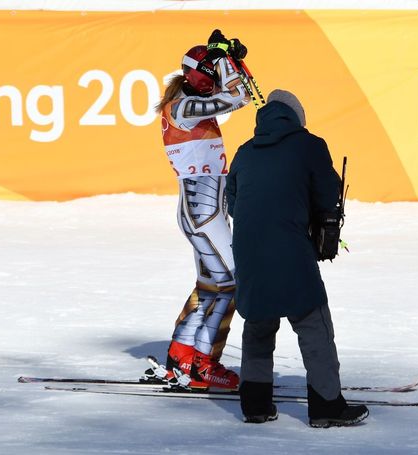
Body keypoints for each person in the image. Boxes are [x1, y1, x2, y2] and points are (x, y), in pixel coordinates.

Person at [225, 89, 369, 427]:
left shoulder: (245, 153)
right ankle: (326, 406)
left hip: (248, 250)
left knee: (259, 324)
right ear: (297, 119)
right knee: (313, 322)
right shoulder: (309, 145)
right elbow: (327, 193)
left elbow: (233, 201)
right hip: (290, 247)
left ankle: (255, 405)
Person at [149, 30, 250, 390]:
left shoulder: (188, 104)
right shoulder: (183, 108)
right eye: (209, 76)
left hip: (205, 208)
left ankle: (183, 356)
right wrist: (224, 60)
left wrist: (233, 60)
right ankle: (203, 362)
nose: (212, 85)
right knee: (235, 281)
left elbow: (244, 90)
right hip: (203, 210)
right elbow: (237, 97)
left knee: (213, 285)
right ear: (195, 77)